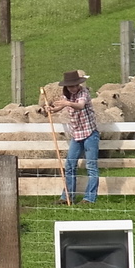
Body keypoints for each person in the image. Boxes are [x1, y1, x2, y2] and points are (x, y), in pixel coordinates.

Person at [46, 70, 99, 205]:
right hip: (76, 135)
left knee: (91, 166)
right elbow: (59, 106)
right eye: (70, 86)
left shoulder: (84, 93)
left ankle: (89, 198)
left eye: (75, 85)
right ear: (66, 87)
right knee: (69, 165)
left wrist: (67, 104)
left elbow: (80, 105)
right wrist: (51, 110)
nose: (73, 88)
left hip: (90, 134)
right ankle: (67, 196)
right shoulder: (66, 96)